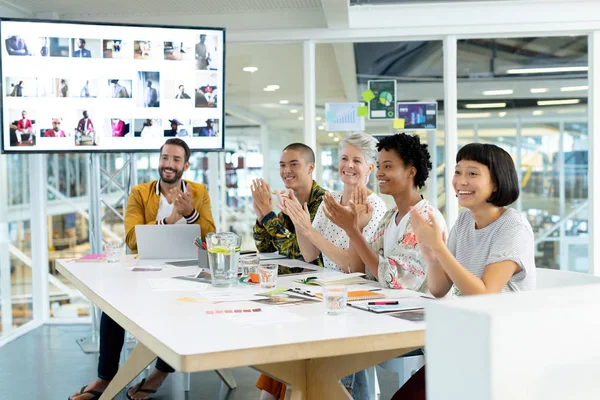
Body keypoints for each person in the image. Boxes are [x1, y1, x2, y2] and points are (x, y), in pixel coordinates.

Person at [68, 138, 216, 400]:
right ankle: (105, 378)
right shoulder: (140, 192)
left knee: (180, 306)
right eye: (165, 158)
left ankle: (159, 372)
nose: (169, 164)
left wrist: (191, 213)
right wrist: (171, 219)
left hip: (188, 271)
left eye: (176, 159)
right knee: (113, 306)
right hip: (147, 270)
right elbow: (132, 240)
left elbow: (210, 239)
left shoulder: (198, 192)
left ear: (186, 165)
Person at [391, 143, 537, 400]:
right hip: (466, 342)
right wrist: (434, 259)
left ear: (497, 182)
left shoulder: (513, 228)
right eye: (458, 172)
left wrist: (439, 246)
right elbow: (439, 289)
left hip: (501, 349)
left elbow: (485, 296)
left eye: (472, 173)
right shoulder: (465, 221)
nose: (460, 181)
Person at [323, 133, 446, 291]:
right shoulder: (390, 217)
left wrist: (352, 231)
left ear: (411, 172)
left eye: (388, 166)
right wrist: (357, 228)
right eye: (379, 166)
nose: (379, 173)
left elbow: (394, 280)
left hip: (421, 312)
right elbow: (360, 271)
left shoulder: (426, 219)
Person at [252, 144, 327, 400]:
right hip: (291, 288)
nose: (286, 171)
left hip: (319, 292)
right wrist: (262, 216)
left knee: (283, 342)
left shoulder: (323, 203)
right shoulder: (288, 199)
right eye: (282, 165)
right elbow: (265, 247)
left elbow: (299, 252)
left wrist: (268, 215)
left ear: (310, 168)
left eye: (294, 164)